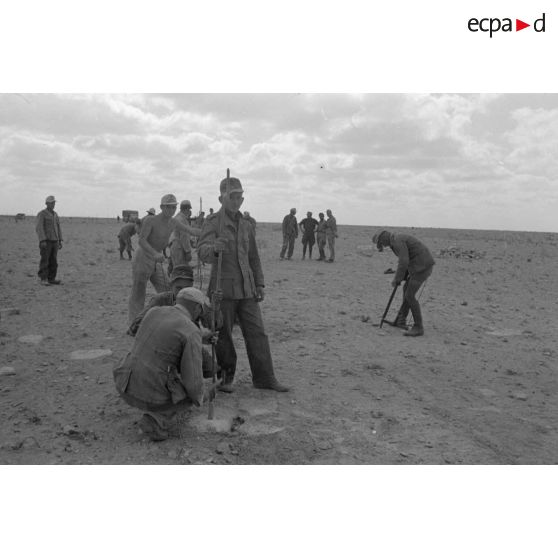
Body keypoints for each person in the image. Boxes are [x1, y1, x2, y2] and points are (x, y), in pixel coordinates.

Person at [197, 175, 289, 393]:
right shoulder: (212, 222)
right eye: (232, 196)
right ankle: (226, 378)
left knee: (258, 333)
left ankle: (265, 378)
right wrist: (213, 249)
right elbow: (202, 252)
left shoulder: (247, 225)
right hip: (223, 290)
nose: (237, 201)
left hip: (247, 289)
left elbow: (253, 257)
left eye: (240, 197)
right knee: (223, 336)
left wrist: (260, 284)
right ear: (221, 198)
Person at [113, 287, 218, 441]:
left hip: (124, 384)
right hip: (146, 395)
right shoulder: (191, 330)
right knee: (187, 394)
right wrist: (203, 396)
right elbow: (193, 381)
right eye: (200, 311)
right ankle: (156, 420)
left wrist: (201, 338)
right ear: (196, 308)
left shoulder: (154, 311)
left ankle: (154, 407)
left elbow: (167, 333)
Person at [128, 194, 198, 325]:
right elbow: (142, 241)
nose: (171, 210)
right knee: (138, 292)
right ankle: (134, 324)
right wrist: (154, 253)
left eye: (174, 207)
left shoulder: (173, 222)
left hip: (156, 260)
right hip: (143, 258)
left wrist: (210, 232)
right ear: (162, 207)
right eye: (169, 207)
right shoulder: (151, 220)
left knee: (166, 289)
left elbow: (191, 230)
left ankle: (167, 319)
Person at [372, 230, 435, 337]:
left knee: (409, 296)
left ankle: (418, 327)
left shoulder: (397, 241)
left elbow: (404, 261)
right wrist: (403, 276)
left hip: (422, 267)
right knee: (406, 289)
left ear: (384, 238)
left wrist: (398, 278)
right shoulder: (395, 240)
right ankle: (401, 320)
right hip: (418, 265)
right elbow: (407, 258)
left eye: (381, 243)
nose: (383, 245)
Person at [167, 199, 201, 275]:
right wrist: (188, 252)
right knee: (180, 270)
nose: (189, 212)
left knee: (176, 269)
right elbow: (184, 237)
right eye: (189, 210)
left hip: (174, 246)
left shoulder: (177, 217)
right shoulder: (182, 219)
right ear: (187, 209)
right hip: (179, 247)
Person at [36, 195, 63, 286]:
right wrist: (42, 240)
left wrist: (60, 240)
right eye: (51, 203)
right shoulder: (42, 214)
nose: (53, 204)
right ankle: (43, 279)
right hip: (46, 241)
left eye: (54, 203)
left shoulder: (55, 215)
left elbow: (58, 227)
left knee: (53, 261)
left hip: (55, 241)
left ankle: (52, 278)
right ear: (46, 203)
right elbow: (39, 227)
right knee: (45, 260)